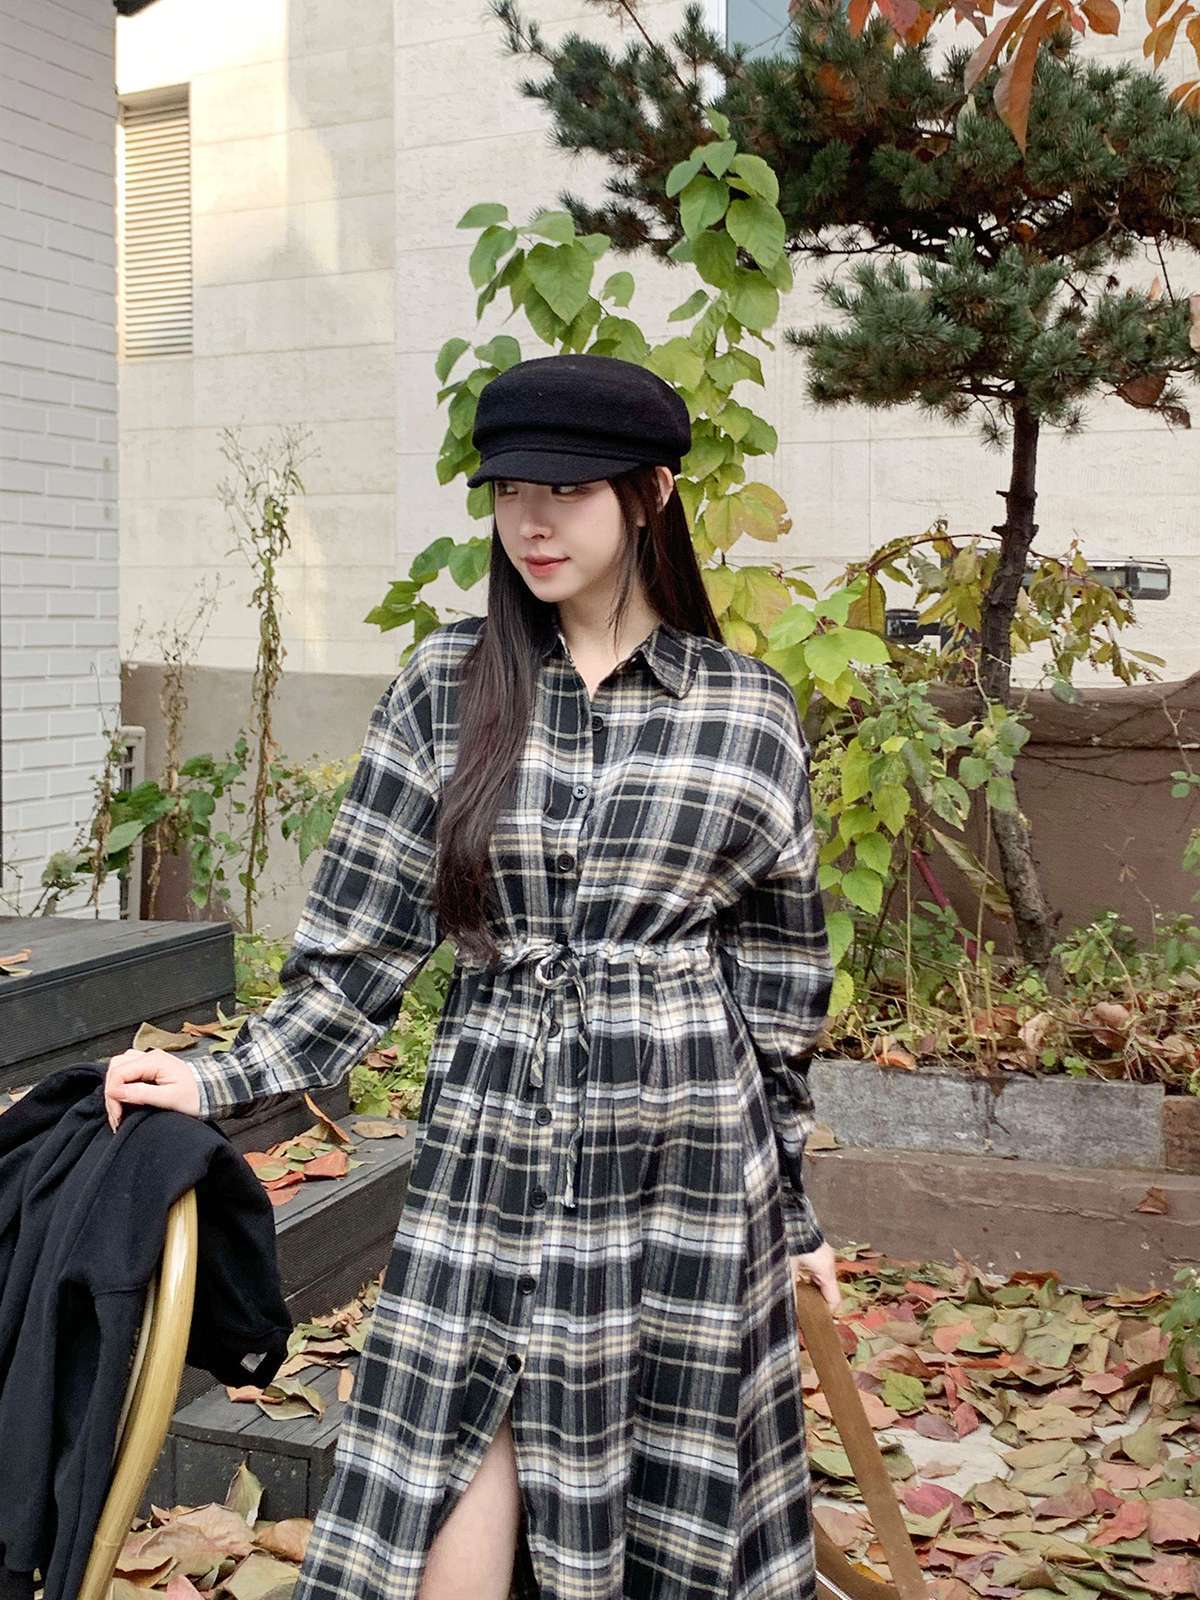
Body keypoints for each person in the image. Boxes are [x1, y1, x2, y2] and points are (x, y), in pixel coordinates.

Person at [105, 351, 841, 1600]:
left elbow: (778, 993)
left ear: (653, 494)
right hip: (494, 1133)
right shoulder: (450, 687)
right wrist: (219, 1077)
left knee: (665, 1476)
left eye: (568, 489)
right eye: (509, 491)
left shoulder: (747, 709)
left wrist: (797, 1212)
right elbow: (356, 947)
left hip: (687, 1159)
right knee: (448, 1453)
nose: (532, 522)